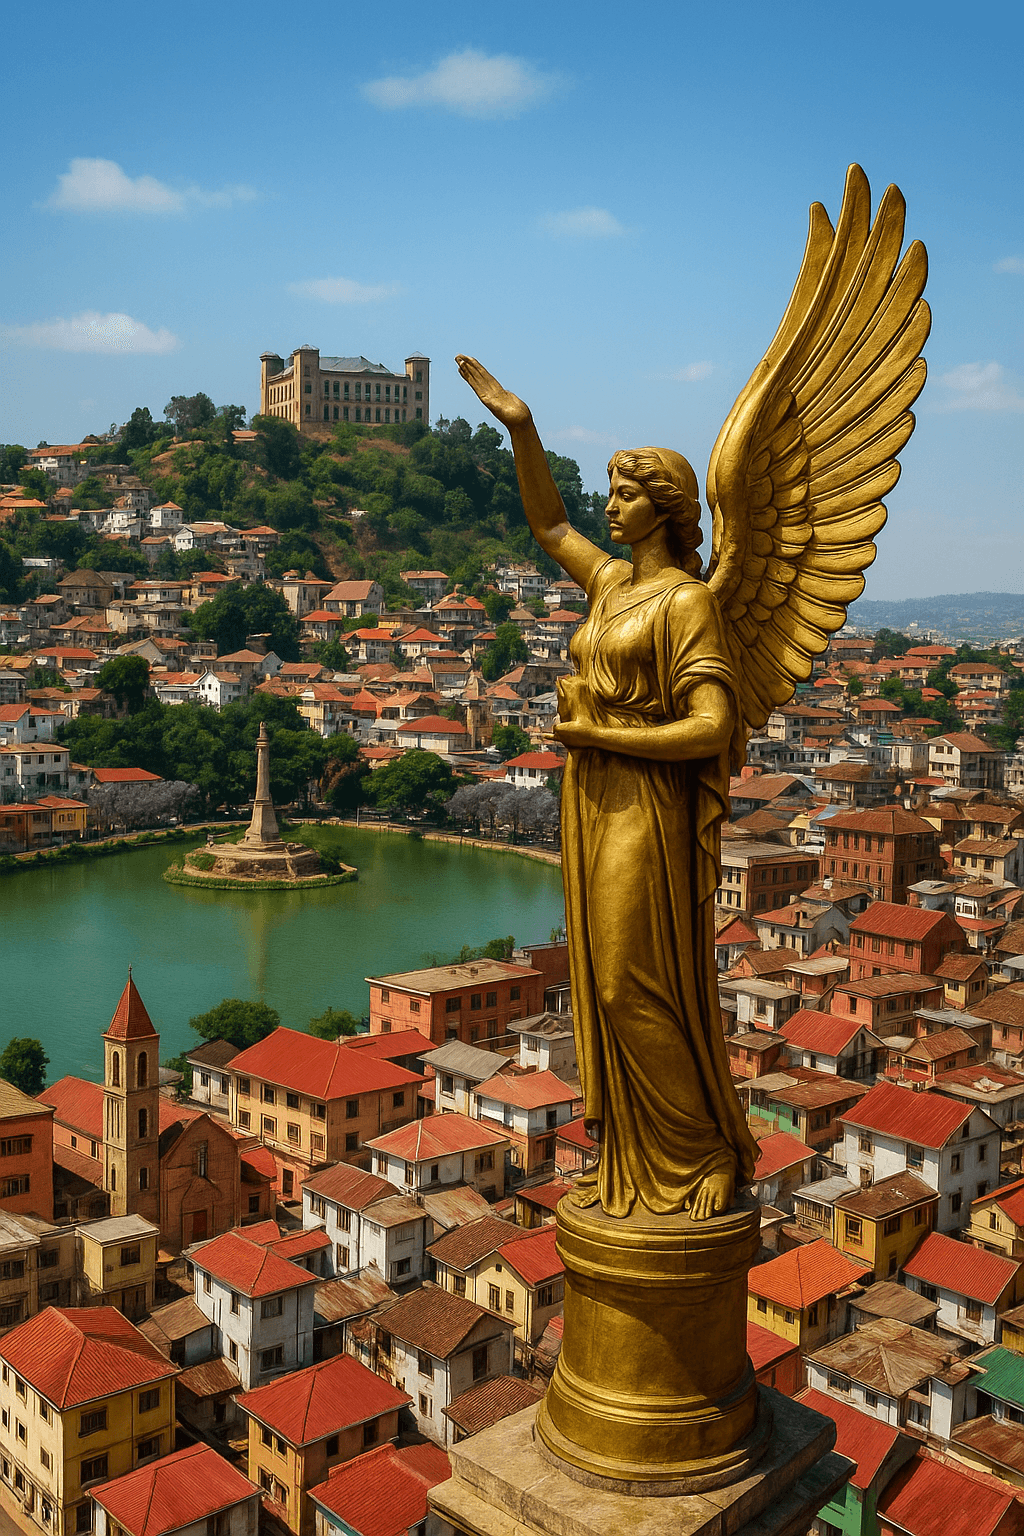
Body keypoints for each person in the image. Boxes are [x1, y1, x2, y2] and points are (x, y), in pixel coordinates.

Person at [457, 355, 758, 1221]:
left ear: (665, 507)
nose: (610, 507)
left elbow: (711, 727)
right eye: (613, 493)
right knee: (597, 979)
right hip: (591, 801)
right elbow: (550, 525)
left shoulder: (686, 602)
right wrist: (521, 427)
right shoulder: (613, 582)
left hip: (647, 809)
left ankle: (700, 1151)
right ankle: (633, 1154)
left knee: (632, 981)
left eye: (626, 495)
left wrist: (599, 734)